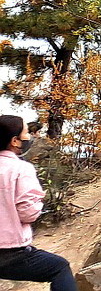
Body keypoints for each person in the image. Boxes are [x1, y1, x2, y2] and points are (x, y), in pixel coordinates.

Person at [0, 115, 73, 291]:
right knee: (59, 268)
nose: (29, 137)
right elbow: (28, 213)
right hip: (9, 252)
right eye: (26, 132)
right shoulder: (21, 168)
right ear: (15, 141)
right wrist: (39, 205)